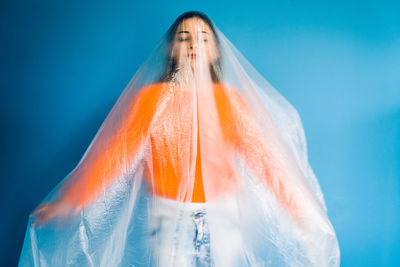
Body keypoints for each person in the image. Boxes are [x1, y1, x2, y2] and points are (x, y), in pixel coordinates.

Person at [20, 11, 340, 267]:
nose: (193, 45)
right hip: (168, 217)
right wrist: (71, 200)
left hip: (222, 216)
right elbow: (114, 158)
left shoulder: (230, 102)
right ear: (171, 48)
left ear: (215, 49)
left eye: (202, 38)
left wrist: (302, 212)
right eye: (183, 38)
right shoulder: (151, 101)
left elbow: (266, 162)